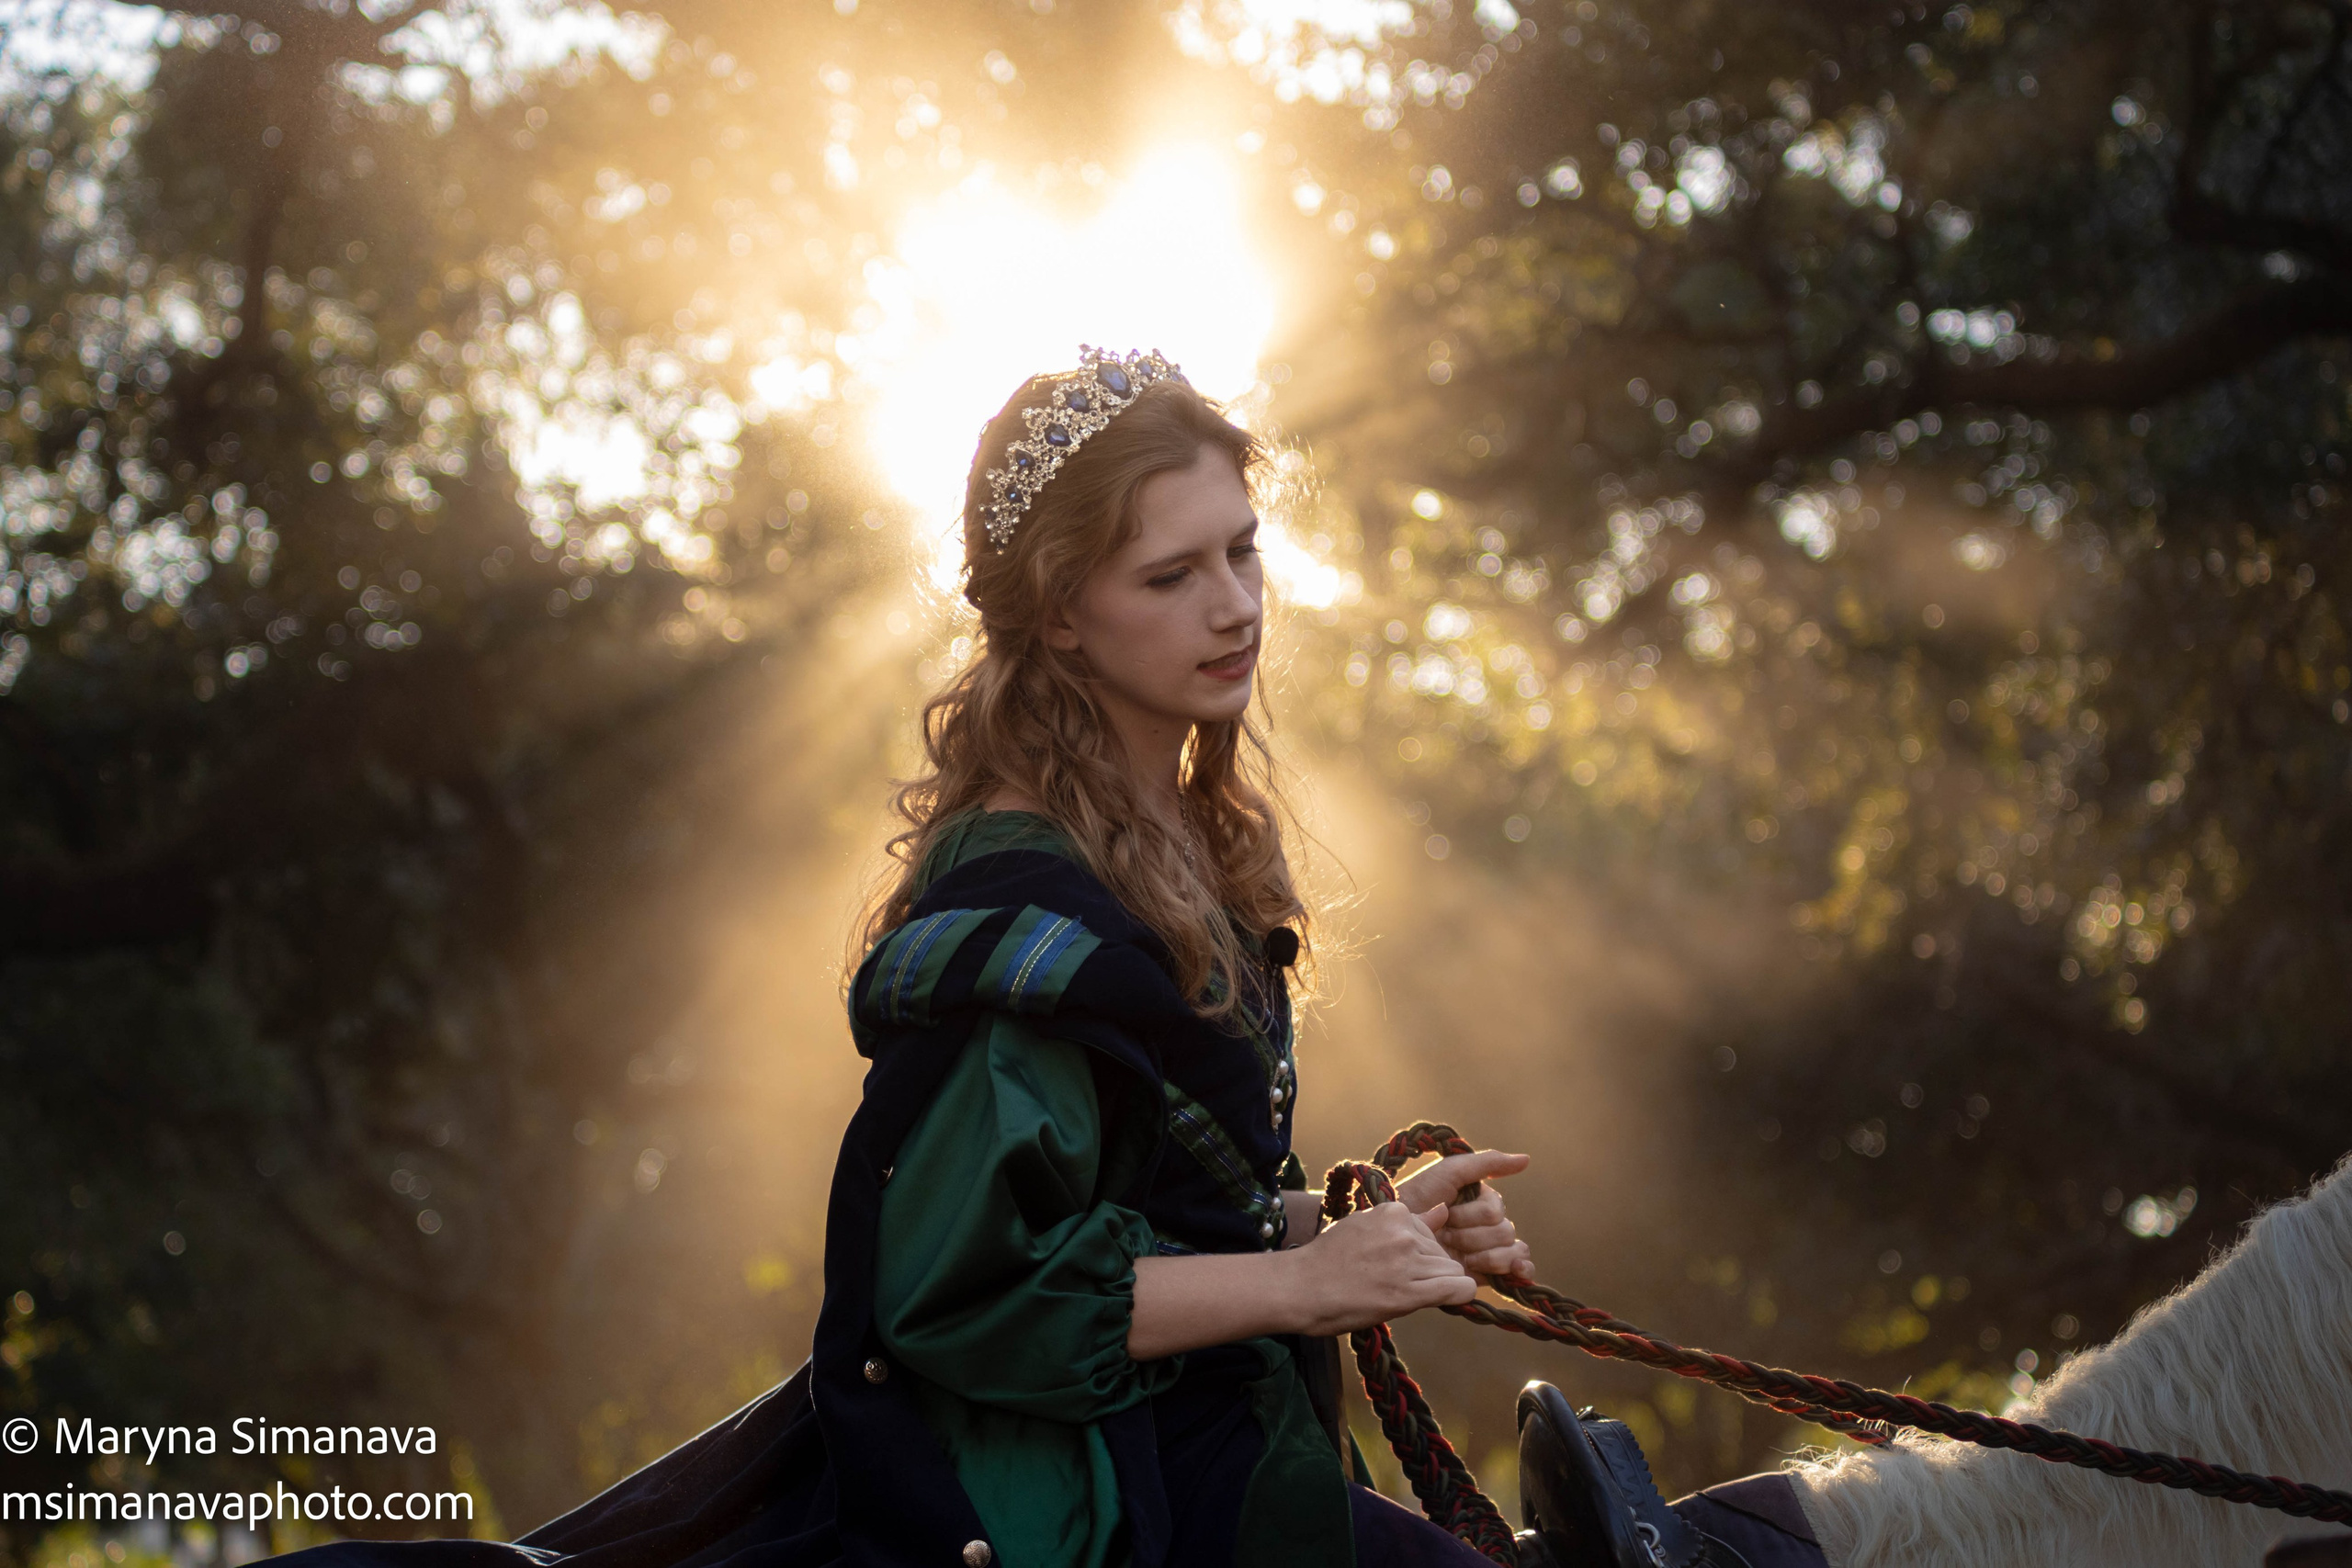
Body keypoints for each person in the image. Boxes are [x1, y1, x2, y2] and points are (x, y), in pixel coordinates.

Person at [266, 347, 1540, 1568]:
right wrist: (1302, 1284)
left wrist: (1359, 1230)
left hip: (1233, 1451)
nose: (1233, 604)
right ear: (1060, 614)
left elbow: (1152, 1214)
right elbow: (962, 1291)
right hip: (1100, 1504)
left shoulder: (1186, 843)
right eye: (1170, 575)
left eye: (1243, 550)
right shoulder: (1020, 905)